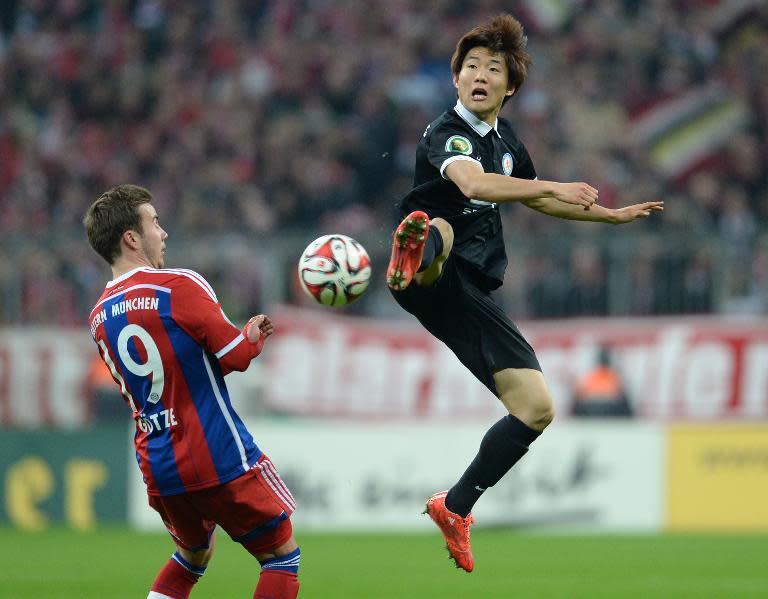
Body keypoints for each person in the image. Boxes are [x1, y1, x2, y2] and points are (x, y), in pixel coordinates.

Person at [386, 14, 663, 572]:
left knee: (536, 409)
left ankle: (456, 506)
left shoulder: (508, 143)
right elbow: (473, 185)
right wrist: (554, 182)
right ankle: (415, 258)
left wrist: (608, 217)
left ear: (509, 87)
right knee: (437, 222)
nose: (479, 74)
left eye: (492, 68)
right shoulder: (447, 132)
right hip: (438, 272)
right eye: (470, 67)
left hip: (472, 292)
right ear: (456, 79)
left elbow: (537, 201)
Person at [84, 184, 300, 599]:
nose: (163, 233)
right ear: (132, 237)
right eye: (155, 223)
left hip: (158, 463)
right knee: (280, 556)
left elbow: (169, 373)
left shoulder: (98, 317)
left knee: (191, 557)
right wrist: (252, 337)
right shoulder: (177, 285)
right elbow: (234, 356)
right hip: (215, 453)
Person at [572, 346, 633, 417]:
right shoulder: (614, 376)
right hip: (608, 408)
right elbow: (619, 394)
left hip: (593, 407)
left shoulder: (591, 375)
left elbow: (580, 393)